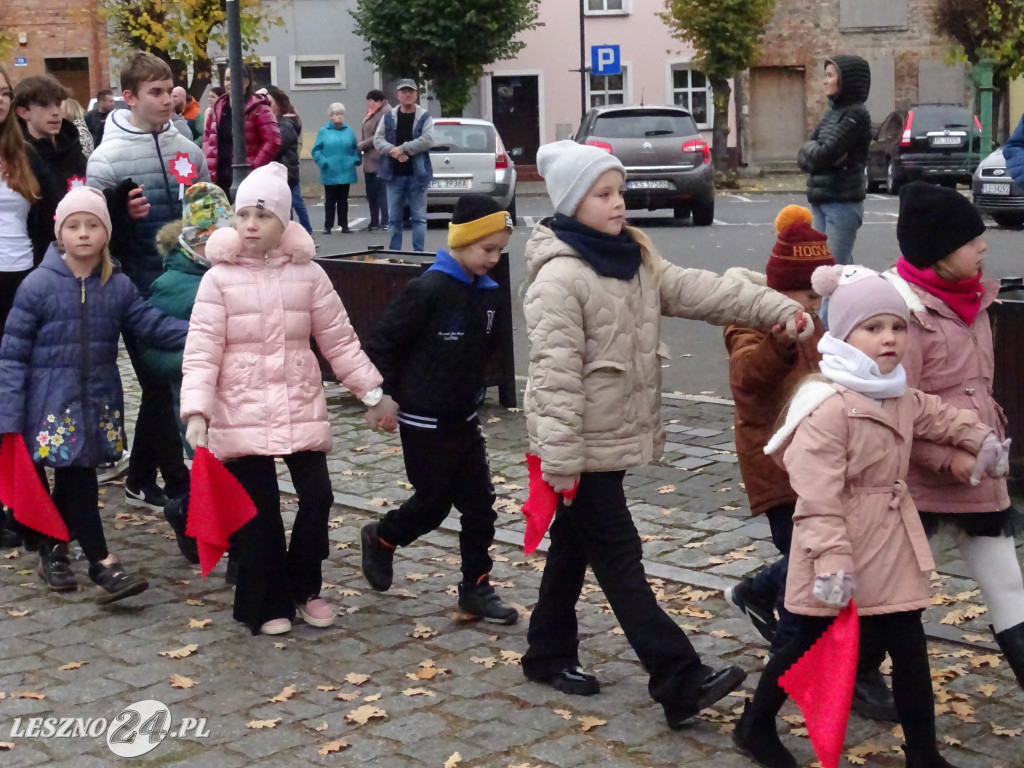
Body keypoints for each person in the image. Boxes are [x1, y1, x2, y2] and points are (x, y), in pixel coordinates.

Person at [520, 140, 813, 729]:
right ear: (572, 202)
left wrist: (773, 307)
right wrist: (560, 460)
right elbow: (551, 380)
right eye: (603, 195)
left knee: (577, 547)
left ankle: (546, 651)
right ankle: (677, 678)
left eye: (619, 192)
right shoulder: (558, 280)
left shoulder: (635, 260)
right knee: (621, 559)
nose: (617, 203)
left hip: (611, 439)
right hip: (581, 449)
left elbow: (706, 291)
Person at [733, 264, 1004, 768]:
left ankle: (923, 753)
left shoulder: (895, 391)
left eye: (898, 327)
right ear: (843, 334)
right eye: (873, 327)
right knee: (801, 645)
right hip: (835, 551)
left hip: (890, 544)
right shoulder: (826, 405)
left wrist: (978, 440)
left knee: (910, 649)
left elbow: (936, 415)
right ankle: (754, 725)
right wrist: (833, 560)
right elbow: (816, 497)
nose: (890, 339)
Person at [180, 162, 398, 636]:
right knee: (258, 514)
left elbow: (339, 342)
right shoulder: (217, 280)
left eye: (262, 215)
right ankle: (265, 601)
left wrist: (372, 393)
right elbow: (201, 351)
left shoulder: (309, 275)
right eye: (242, 216)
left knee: (317, 497)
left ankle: (305, 586)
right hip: (240, 410)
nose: (251, 225)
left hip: (299, 403)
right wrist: (197, 410)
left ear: (284, 221)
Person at [722, 206, 898, 722]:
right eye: (803, 295)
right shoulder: (750, 323)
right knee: (819, 571)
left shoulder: (822, 325)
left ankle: (761, 592)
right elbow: (745, 378)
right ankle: (841, 673)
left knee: (826, 562)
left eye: (818, 296)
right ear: (779, 291)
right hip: (780, 469)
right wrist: (781, 339)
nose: (812, 305)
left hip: (827, 466)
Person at [0, 187, 188, 602]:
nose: (83, 233)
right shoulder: (37, 286)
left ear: (105, 233)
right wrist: (8, 415)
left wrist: (202, 334)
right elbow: (12, 353)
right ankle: (103, 563)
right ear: (59, 234)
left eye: (92, 225)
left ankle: (53, 549)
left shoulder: (115, 285)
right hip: (51, 405)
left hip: (98, 401)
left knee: (73, 480)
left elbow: (150, 325)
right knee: (79, 477)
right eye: (73, 226)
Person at [885, 181, 1024, 691]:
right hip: (917, 487)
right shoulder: (903, 317)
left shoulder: (976, 300)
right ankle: (840, 672)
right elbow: (899, 412)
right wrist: (950, 460)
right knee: (888, 600)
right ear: (940, 254)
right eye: (972, 240)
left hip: (980, 477)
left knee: (1008, 584)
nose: (984, 245)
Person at [360, 194, 517, 624]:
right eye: (487, 249)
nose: (494, 258)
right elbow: (383, 343)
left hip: (464, 419)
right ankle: (382, 537)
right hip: (423, 420)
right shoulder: (427, 290)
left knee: (480, 506)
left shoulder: (486, 293)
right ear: (461, 242)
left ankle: (476, 587)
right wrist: (382, 395)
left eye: (500, 250)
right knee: (432, 504)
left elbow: (488, 347)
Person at [87, 50, 209, 514]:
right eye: (155, 93)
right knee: (160, 381)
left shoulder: (189, 150)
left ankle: (141, 478)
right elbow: (90, 233)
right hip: (137, 287)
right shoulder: (107, 158)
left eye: (169, 91)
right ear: (130, 97)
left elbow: (207, 214)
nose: (167, 101)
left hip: (188, 285)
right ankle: (177, 482)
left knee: (173, 382)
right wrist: (118, 214)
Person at [138, 182, 234, 565]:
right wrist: (192, 360)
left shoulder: (236, 271)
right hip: (196, 397)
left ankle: (208, 526)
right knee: (215, 467)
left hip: (240, 390)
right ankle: (189, 515)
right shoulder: (171, 284)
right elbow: (151, 354)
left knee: (235, 469)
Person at [0, 65, 58, 549]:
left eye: (1, 92)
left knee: (24, 396)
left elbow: (51, 218)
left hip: (23, 282)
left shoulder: (23, 155)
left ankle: (27, 504)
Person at [797, 56, 871, 265]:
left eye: (830, 75)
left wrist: (817, 154)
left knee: (832, 273)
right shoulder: (832, 114)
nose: (825, 81)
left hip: (842, 204)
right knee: (825, 272)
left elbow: (823, 154)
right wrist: (816, 153)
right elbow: (805, 156)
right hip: (821, 201)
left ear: (846, 81)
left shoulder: (856, 115)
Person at [373, 79, 434, 251]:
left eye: (411, 91)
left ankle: (419, 254)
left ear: (416, 94)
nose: (407, 94)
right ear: (398, 95)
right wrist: (393, 151)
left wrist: (404, 149)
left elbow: (428, 139)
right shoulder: (388, 117)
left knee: (419, 218)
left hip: (418, 175)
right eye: (403, 91)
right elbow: (378, 140)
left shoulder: (424, 116)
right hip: (393, 175)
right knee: (394, 219)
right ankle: (394, 256)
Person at [201, 65, 281, 194]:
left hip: (248, 180)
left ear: (246, 82)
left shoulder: (260, 108)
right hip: (219, 178)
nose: (230, 83)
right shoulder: (218, 107)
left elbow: (273, 141)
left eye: (235, 79)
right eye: (227, 79)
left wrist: (253, 167)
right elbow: (207, 137)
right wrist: (208, 166)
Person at [14, 75, 87, 195]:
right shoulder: (18, 156)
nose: (55, 112)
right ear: (24, 112)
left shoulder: (74, 148)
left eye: (58, 104)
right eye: (44, 105)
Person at [264, 86, 312, 234]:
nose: (266, 106)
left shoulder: (285, 124)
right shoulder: (277, 123)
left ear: (279, 104)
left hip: (286, 173)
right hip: (281, 172)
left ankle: (305, 232)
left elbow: (275, 147)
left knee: (291, 204)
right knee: (284, 206)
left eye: (269, 103)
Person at [312, 102, 360, 235]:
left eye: (341, 114)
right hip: (330, 171)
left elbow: (355, 148)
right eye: (336, 114)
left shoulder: (349, 131)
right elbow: (316, 150)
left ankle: (344, 225)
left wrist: (354, 159)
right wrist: (324, 162)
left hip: (346, 170)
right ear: (331, 116)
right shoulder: (324, 131)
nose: (339, 117)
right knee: (330, 200)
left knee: (343, 200)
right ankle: (328, 226)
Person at [359, 89, 390, 232]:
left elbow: (379, 135)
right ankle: (373, 221)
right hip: (370, 158)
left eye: (370, 101)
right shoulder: (373, 112)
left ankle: (385, 221)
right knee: (371, 192)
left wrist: (361, 145)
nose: (368, 104)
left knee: (381, 192)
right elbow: (365, 132)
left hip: (380, 158)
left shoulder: (385, 112)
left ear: (377, 101)